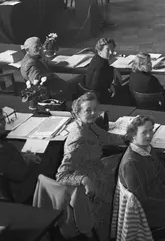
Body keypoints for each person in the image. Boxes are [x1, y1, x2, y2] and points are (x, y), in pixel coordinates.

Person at [56, 93, 123, 241]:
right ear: (78, 113)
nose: (93, 113)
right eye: (88, 110)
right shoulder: (77, 138)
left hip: (96, 168)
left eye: (95, 109)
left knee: (121, 163)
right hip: (86, 184)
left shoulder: (89, 125)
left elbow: (105, 137)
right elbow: (61, 176)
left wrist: (126, 138)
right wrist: (83, 180)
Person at [84, 38, 121, 104]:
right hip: (100, 99)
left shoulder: (96, 58)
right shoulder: (102, 66)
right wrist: (110, 85)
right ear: (99, 51)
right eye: (108, 50)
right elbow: (97, 86)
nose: (111, 52)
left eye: (112, 49)